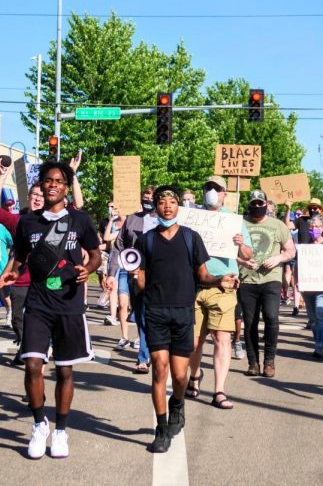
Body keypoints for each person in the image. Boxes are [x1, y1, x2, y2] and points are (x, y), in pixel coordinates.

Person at [0, 160, 101, 460]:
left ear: (66, 187)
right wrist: (13, 273)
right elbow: (20, 257)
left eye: (58, 180)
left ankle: (60, 430)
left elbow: (95, 255)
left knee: (65, 370)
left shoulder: (80, 221)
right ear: (41, 185)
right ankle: (39, 423)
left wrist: (88, 269)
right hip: (38, 303)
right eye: (47, 180)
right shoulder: (29, 221)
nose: (52, 184)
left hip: (68, 303)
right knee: (32, 365)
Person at [131, 186, 235, 453]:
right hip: (155, 312)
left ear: (179, 206)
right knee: (159, 369)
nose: (167, 205)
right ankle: (162, 429)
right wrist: (134, 278)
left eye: (172, 201)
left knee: (179, 376)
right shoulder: (146, 241)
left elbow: (202, 275)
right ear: (155, 207)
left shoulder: (191, 238)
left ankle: (178, 405)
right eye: (161, 201)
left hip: (182, 313)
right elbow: (141, 281)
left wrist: (219, 280)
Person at [186, 176, 253, 410]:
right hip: (195, 286)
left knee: (222, 338)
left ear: (225, 194)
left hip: (224, 287)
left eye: (217, 189)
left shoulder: (234, 221)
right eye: (208, 188)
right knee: (193, 342)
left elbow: (247, 255)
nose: (212, 192)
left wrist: (240, 243)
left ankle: (219, 391)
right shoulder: (192, 218)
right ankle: (194, 376)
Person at [0, 157, 46, 363]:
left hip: (44, 281)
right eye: (34, 195)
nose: (38, 199)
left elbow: (78, 208)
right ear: (28, 197)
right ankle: (27, 347)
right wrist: (3, 176)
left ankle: (32, 352)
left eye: (42, 196)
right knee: (17, 320)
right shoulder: (19, 221)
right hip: (20, 281)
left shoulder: (55, 220)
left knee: (39, 320)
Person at [238, 190, 296, 378]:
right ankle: (253, 362)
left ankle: (269, 361)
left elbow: (291, 251)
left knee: (271, 318)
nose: (256, 207)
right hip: (247, 279)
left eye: (259, 204)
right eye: (253, 204)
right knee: (250, 323)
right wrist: (242, 262)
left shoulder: (278, 225)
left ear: (265, 204)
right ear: (249, 205)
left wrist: (278, 258)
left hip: (271, 279)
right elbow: (228, 251)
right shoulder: (239, 224)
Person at [106, 185, 157, 371]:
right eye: (145, 195)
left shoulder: (164, 221)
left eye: (151, 196)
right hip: (135, 277)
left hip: (160, 278)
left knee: (156, 318)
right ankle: (143, 357)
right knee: (142, 317)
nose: (148, 199)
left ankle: (157, 352)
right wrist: (112, 274)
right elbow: (119, 248)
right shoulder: (131, 220)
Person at [301, 216, 323, 359]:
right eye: (311, 227)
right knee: (313, 319)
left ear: (322, 228)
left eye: (316, 226)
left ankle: (319, 345)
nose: (313, 229)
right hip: (308, 286)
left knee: (321, 313)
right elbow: (299, 266)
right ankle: (319, 341)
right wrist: (297, 282)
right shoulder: (305, 247)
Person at [97, 202, 124, 317]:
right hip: (113, 258)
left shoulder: (130, 223)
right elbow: (106, 238)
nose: (111, 209)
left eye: (113, 207)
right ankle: (112, 316)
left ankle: (126, 310)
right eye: (110, 207)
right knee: (113, 287)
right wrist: (112, 220)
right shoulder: (108, 223)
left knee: (124, 291)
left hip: (127, 260)